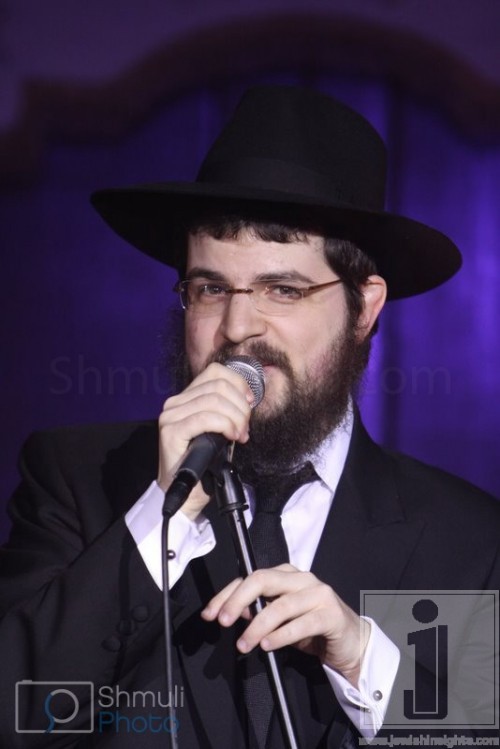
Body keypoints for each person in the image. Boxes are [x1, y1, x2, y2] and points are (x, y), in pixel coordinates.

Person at [0, 85, 498, 748]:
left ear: (365, 307)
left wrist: (363, 659)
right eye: (210, 288)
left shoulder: (462, 536)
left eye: (282, 289)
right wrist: (162, 520)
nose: (236, 327)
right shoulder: (78, 479)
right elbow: (15, 713)